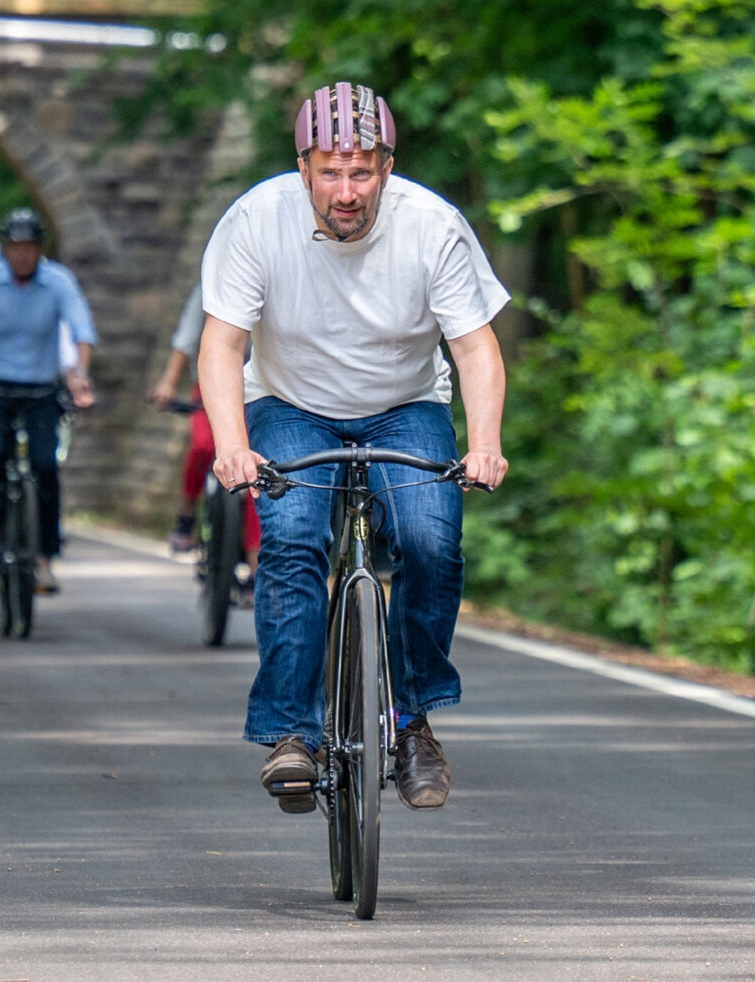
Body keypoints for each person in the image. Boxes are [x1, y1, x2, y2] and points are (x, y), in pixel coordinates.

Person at [198, 83, 510, 813]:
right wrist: (232, 446)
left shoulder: (433, 226)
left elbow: (476, 348)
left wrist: (486, 442)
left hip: (404, 406)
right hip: (289, 403)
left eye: (362, 172)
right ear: (302, 167)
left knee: (431, 541)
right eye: (330, 172)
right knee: (294, 539)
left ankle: (411, 723)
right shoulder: (254, 220)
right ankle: (291, 733)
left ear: (388, 168)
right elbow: (222, 345)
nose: (346, 191)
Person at [0, 207, 97, 594]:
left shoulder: (58, 281)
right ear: (6, 249)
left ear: (39, 249)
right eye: (15, 247)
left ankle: (45, 555)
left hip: (40, 389)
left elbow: (82, 330)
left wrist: (78, 373)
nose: (22, 255)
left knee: (45, 466)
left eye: (29, 247)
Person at [147, 283, 262, 599]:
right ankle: (186, 516)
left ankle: (255, 571)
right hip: (211, 387)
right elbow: (186, 338)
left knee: (255, 480)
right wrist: (169, 383)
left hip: (256, 391)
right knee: (200, 447)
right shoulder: (209, 286)